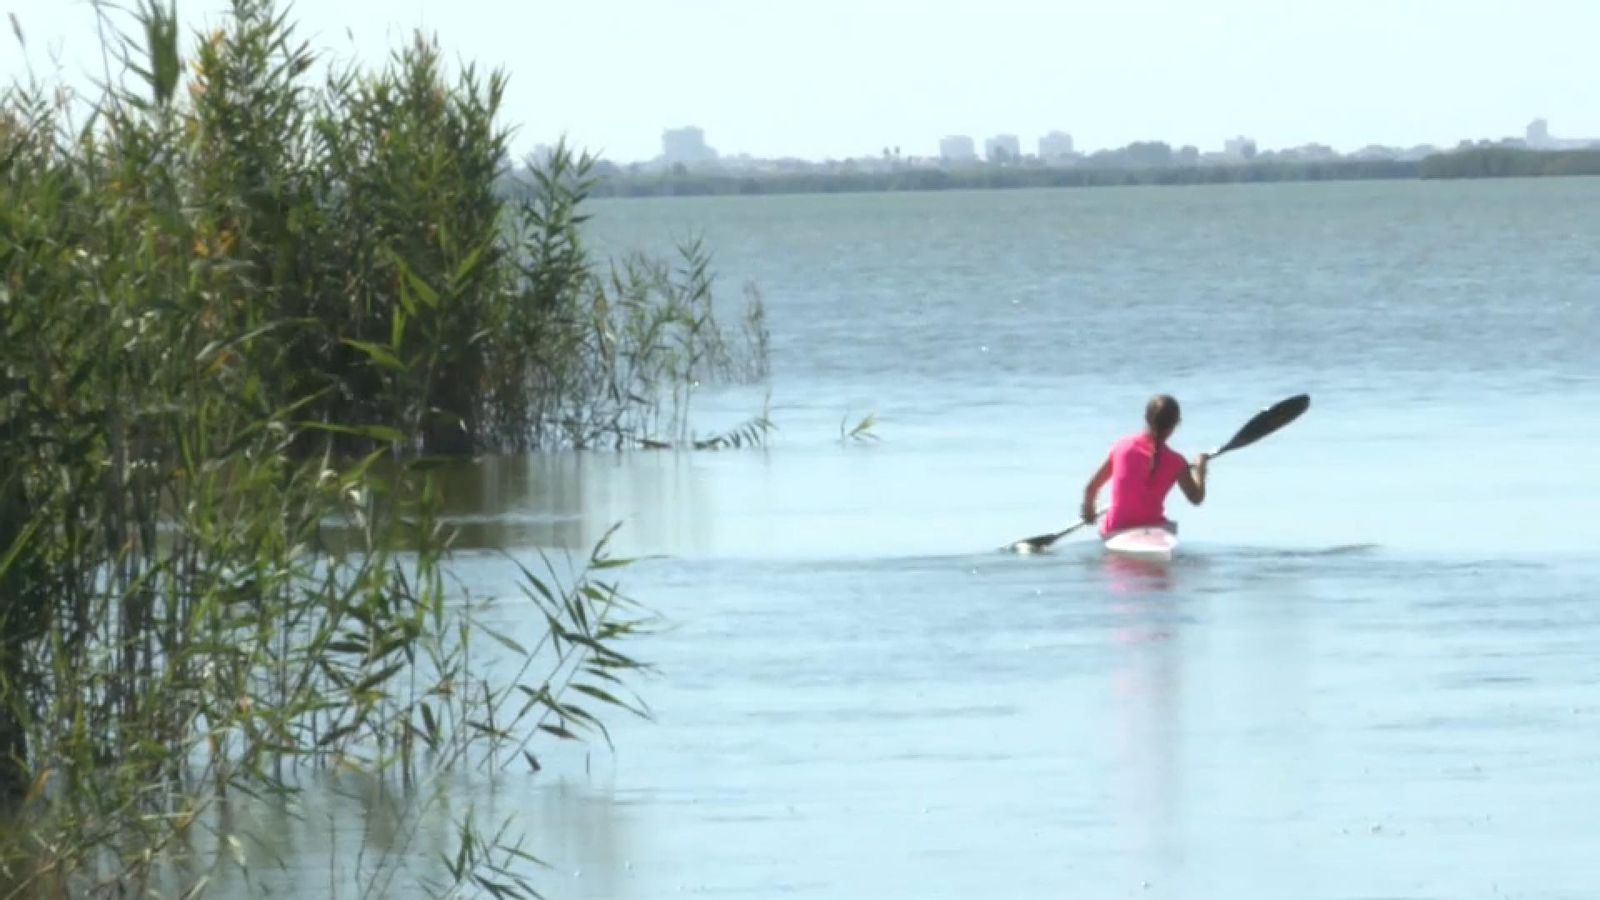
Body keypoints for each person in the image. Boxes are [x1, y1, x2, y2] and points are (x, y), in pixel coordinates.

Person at [1081, 394, 1209, 536]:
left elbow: (1090, 489)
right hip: (1153, 530)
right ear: (1176, 424)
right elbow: (1196, 498)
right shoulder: (1177, 462)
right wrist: (1200, 471)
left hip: (1114, 530)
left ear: (1146, 418)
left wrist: (1089, 511)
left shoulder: (1121, 447)